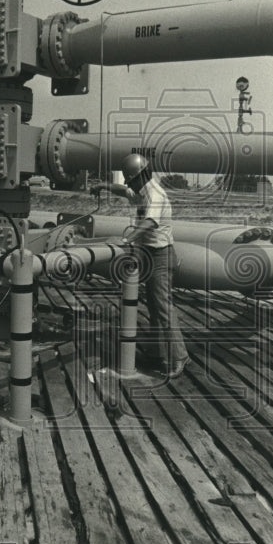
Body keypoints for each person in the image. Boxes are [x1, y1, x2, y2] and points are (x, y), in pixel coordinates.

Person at [91, 154, 189, 378]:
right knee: (155, 308)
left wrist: (126, 240)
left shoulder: (154, 194)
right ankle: (158, 353)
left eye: (130, 179)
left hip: (160, 256)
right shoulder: (144, 189)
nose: (129, 184)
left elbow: (150, 222)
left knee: (163, 309)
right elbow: (126, 192)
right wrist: (105, 186)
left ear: (141, 175)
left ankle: (179, 357)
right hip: (151, 255)